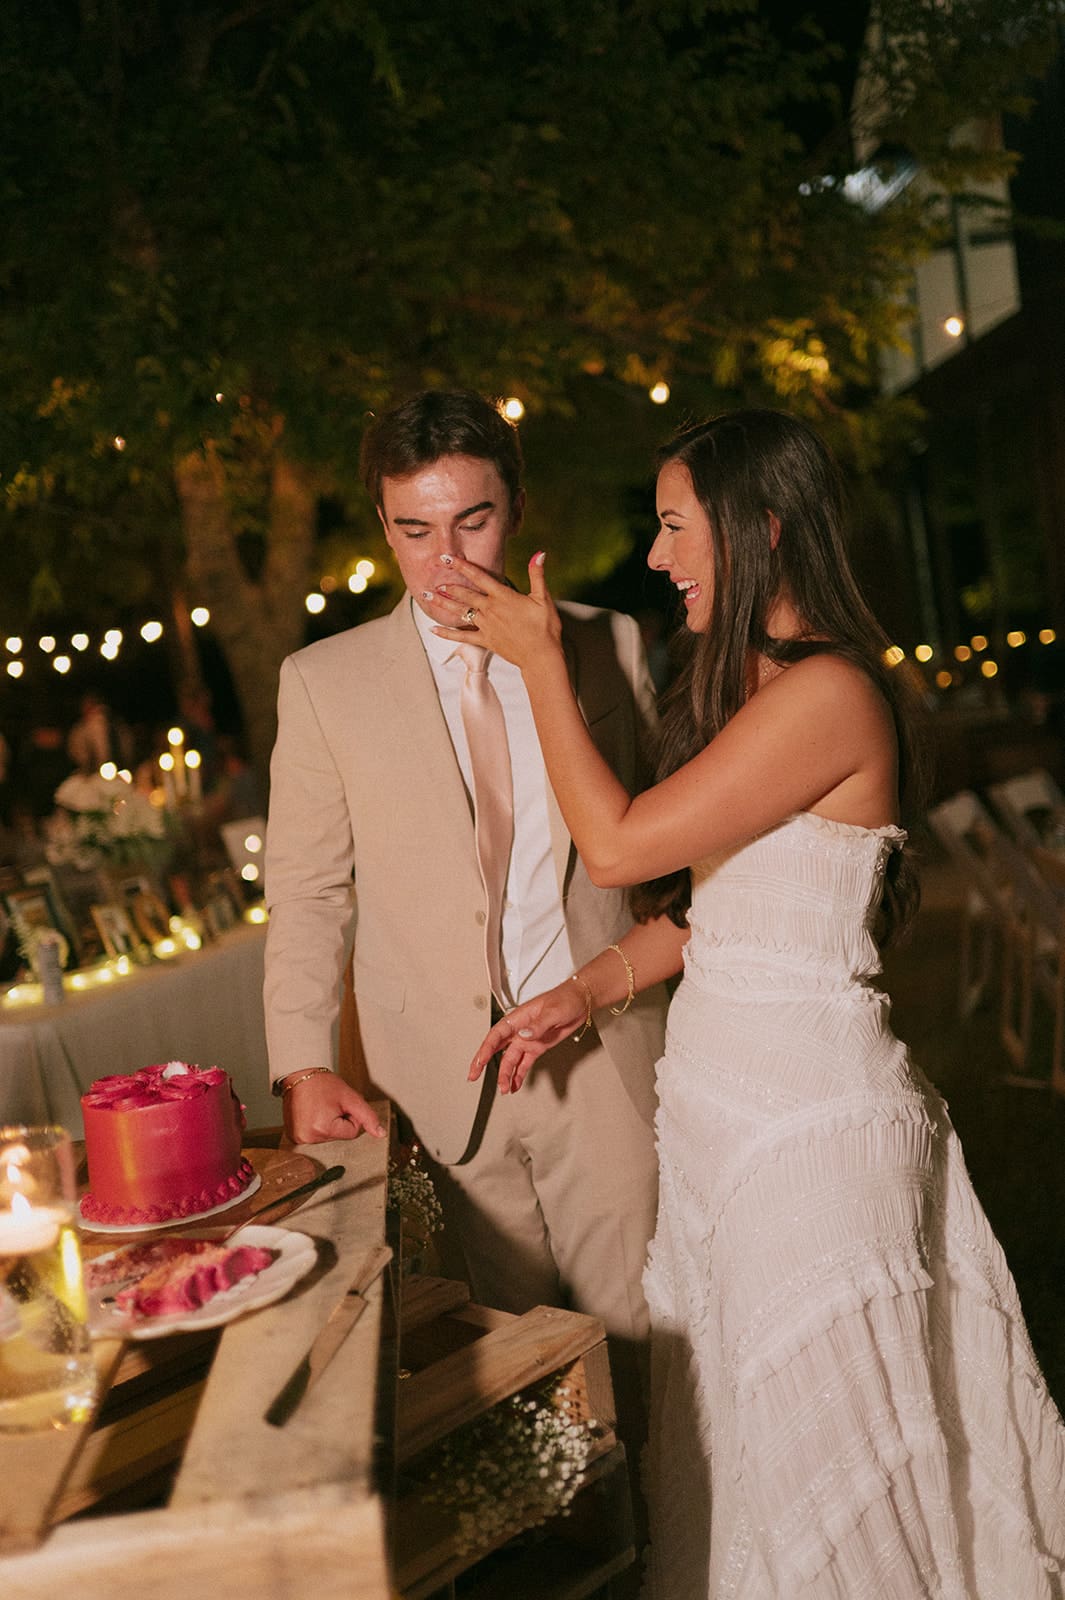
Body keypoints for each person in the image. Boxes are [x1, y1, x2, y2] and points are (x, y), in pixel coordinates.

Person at [436, 409, 1065, 1598]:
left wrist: (539, 666)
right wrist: (589, 986)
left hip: (809, 1142)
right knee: (753, 1476)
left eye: (677, 529)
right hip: (730, 1138)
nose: (661, 558)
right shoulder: (761, 687)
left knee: (833, 1478)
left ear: (758, 529)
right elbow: (722, 912)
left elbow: (617, 847)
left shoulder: (831, 695)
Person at [262, 391, 668, 1455]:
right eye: (414, 529)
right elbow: (306, 891)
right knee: (504, 1366)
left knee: (646, 1342)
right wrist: (303, 1062)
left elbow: (664, 853)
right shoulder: (321, 683)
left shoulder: (612, 644)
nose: (446, 559)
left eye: (472, 521)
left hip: (602, 1059)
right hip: (436, 1083)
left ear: (518, 509)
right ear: (382, 526)